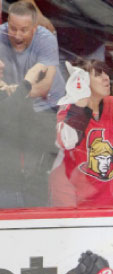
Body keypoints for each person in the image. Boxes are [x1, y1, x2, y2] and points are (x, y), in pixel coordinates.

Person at [0, 0, 66, 206]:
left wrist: (18, 89)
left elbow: (43, 87)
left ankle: (36, 206)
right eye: (13, 28)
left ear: (35, 28)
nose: (17, 35)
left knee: (38, 167)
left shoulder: (45, 37)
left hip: (47, 107)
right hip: (17, 106)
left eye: (24, 30)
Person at [51, 59, 113, 207]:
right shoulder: (68, 108)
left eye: (106, 73)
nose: (106, 78)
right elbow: (67, 141)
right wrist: (80, 102)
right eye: (98, 74)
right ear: (83, 81)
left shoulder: (111, 104)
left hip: (106, 196)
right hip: (72, 197)